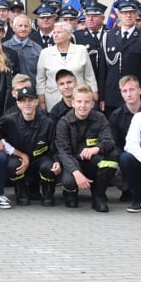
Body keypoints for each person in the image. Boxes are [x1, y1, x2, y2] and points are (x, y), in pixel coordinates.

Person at [52, 83, 118, 211]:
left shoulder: (100, 118)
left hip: (92, 161)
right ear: (73, 103)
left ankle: (98, 196)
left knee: (113, 155)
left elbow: (109, 140)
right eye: (79, 102)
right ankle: (70, 192)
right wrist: (76, 173)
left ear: (92, 104)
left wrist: (96, 148)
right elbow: (63, 152)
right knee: (69, 181)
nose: (83, 105)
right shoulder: (64, 123)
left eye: (87, 102)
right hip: (72, 163)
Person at [3, 83, 56, 205]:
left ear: (37, 102)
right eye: (23, 101)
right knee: (12, 165)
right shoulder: (8, 121)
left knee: (49, 166)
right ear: (18, 103)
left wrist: (56, 161)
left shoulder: (47, 123)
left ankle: (47, 192)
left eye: (30, 100)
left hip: (40, 160)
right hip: (20, 159)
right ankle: (21, 190)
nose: (27, 104)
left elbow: (54, 147)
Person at [36, 21, 98, 112]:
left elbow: (89, 76)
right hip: (54, 100)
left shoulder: (81, 50)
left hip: (80, 100)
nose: (55, 35)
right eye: (54, 32)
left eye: (59, 32)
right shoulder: (45, 53)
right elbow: (40, 79)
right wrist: (41, 101)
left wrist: (94, 94)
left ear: (69, 35)